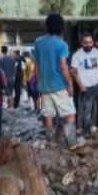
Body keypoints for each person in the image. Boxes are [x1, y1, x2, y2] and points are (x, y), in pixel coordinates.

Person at [33, 13, 80, 148]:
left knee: (49, 115)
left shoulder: (38, 43)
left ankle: (50, 143)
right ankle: (72, 143)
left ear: (47, 26)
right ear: (61, 27)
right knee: (70, 113)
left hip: (44, 86)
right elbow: (63, 66)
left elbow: (37, 65)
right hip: (59, 85)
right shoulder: (62, 45)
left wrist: (39, 83)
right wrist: (70, 84)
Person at [0, 46, 16, 111]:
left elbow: (1, 71)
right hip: (12, 78)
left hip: (5, 79)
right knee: (11, 92)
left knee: (8, 93)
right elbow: (14, 70)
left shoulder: (1, 59)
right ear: (7, 50)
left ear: (1, 51)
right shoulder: (12, 59)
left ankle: (11, 107)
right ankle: (10, 106)